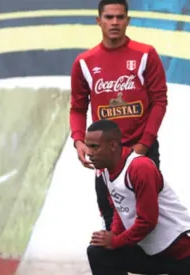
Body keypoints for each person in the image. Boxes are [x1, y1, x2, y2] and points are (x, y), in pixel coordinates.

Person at [84, 119, 190, 275]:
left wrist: (115, 241)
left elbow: (147, 222)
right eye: (88, 146)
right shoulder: (106, 170)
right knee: (98, 253)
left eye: (94, 146)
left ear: (113, 145)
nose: (89, 152)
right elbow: (118, 207)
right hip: (154, 254)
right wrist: (114, 232)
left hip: (186, 250)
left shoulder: (140, 167)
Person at [69, 0, 167, 233]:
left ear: (128, 20)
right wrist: (78, 141)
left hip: (141, 152)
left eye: (120, 17)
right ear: (98, 21)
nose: (114, 22)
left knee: (150, 225)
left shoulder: (145, 54)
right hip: (105, 155)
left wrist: (143, 145)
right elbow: (77, 108)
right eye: (109, 17)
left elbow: (159, 102)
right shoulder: (84, 62)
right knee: (112, 224)